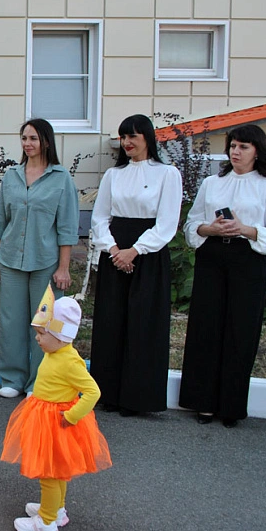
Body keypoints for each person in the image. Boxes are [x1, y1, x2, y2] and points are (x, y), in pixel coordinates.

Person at [178, 124, 266, 428]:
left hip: (248, 258)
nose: (235, 152)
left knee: (241, 329)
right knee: (206, 326)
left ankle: (231, 405)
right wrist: (210, 229)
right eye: (232, 146)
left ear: (257, 151)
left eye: (243, 147)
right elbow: (192, 225)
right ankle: (203, 402)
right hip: (212, 255)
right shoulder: (212, 183)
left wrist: (245, 229)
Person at [89, 114, 182, 416]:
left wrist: (136, 251)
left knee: (143, 324)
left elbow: (167, 223)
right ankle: (108, 393)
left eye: (133, 136)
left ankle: (136, 398)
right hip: (115, 252)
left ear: (147, 138)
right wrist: (114, 249)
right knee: (111, 321)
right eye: (123, 137)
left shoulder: (167, 174)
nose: (127, 143)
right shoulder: (113, 175)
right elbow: (100, 218)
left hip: (148, 255)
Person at [1, 286, 112, 531]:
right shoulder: (56, 352)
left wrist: (72, 416)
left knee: (49, 474)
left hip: (55, 423)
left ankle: (46, 523)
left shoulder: (69, 361)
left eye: (42, 333)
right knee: (57, 471)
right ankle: (56, 510)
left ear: (61, 336)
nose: (37, 338)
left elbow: (92, 391)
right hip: (47, 418)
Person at [0, 119, 79, 398]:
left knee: (44, 322)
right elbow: (0, 221)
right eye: (24, 138)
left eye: (33, 138)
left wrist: (64, 267)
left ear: (46, 142)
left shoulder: (61, 178)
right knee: (11, 321)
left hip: (46, 263)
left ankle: (39, 382)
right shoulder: (12, 176)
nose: (27, 143)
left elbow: (67, 227)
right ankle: (11, 378)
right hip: (10, 259)